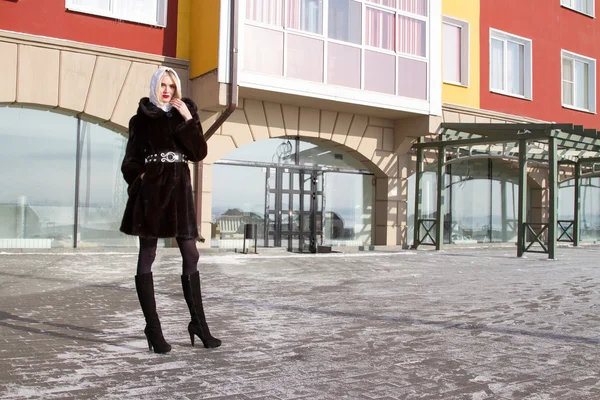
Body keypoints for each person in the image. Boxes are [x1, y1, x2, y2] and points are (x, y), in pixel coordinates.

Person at [120, 66, 221, 354]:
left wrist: (189, 120)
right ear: (155, 86)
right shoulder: (140, 119)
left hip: (179, 194)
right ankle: (153, 329)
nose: (167, 90)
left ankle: (199, 325)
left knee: (191, 253)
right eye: (163, 84)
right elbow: (129, 162)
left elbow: (198, 152)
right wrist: (141, 179)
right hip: (152, 194)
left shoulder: (184, 115)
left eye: (172, 86)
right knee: (147, 255)